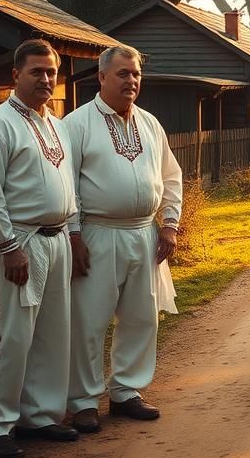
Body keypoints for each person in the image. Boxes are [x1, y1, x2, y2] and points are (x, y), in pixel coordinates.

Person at [63, 46, 183, 433]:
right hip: (97, 233)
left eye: (135, 74)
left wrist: (169, 224)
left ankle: (126, 391)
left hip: (143, 234)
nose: (131, 81)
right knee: (89, 319)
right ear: (100, 78)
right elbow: (66, 186)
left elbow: (171, 176)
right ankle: (83, 401)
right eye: (122, 74)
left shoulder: (150, 123)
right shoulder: (77, 124)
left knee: (141, 317)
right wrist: (75, 235)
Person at [0, 39, 78, 458]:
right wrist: (8, 246)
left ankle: (41, 415)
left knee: (52, 335)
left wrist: (70, 231)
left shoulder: (55, 123)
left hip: (56, 242)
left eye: (51, 72)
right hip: (19, 245)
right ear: (15, 74)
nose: (47, 79)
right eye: (37, 71)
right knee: (8, 335)